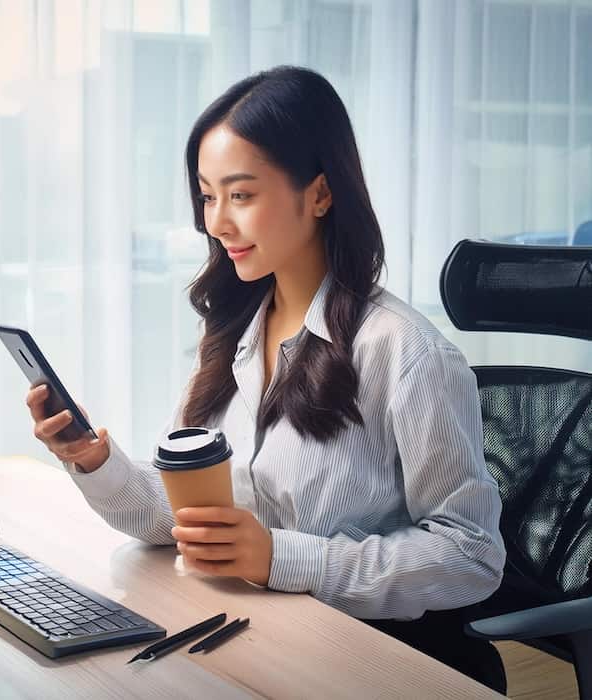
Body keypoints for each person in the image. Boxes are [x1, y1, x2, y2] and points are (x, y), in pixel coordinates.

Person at [25, 66, 507, 692]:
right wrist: (95, 461)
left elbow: (470, 557)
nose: (216, 222)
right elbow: (187, 525)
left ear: (321, 194)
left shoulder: (405, 352)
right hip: (255, 642)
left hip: (368, 663)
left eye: (241, 194)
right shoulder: (233, 334)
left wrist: (279, 556)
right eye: (206, 196)